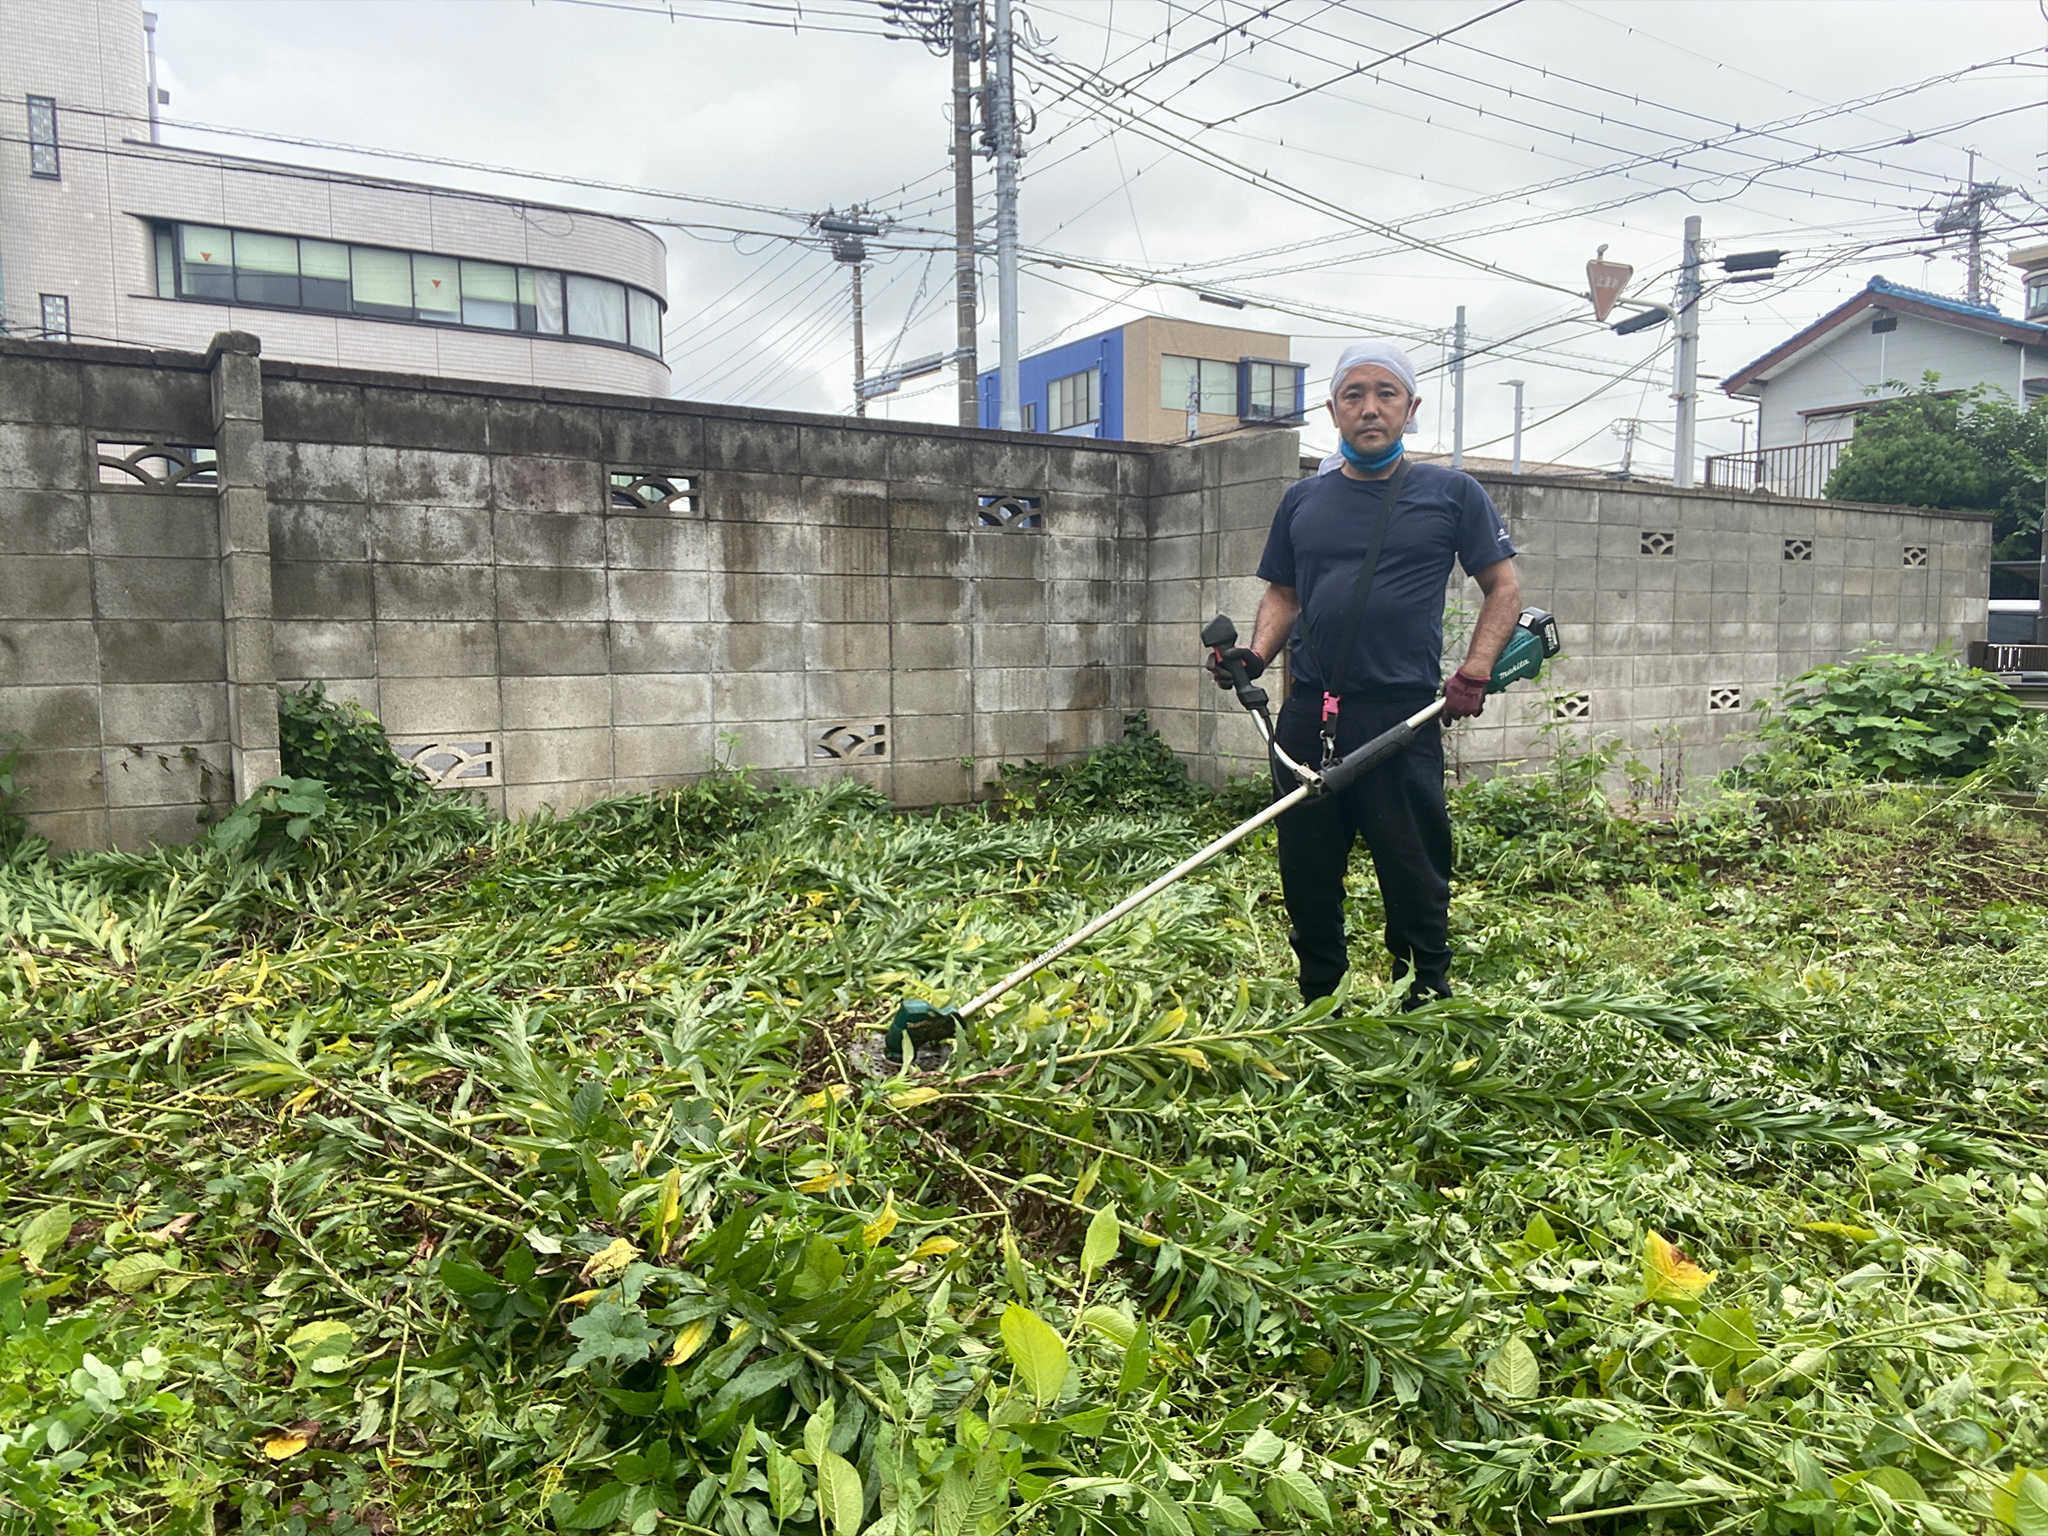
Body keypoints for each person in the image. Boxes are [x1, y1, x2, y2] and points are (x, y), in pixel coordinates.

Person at [1208, 339, 1522, 1008]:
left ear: (1410, 408)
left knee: (1412, 865)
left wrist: (1476, 668)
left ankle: (1423, 993)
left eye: (1385, 394)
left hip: (1402, 716)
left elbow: (1504, 587)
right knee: (1307, 867)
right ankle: (1322, 995)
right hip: (1307, 714)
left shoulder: (1452, 494)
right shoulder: (1303, 501)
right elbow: (1284, 594)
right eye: (1354, 395)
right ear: (1333, 410)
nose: (1370, 408)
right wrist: (1256, 656)